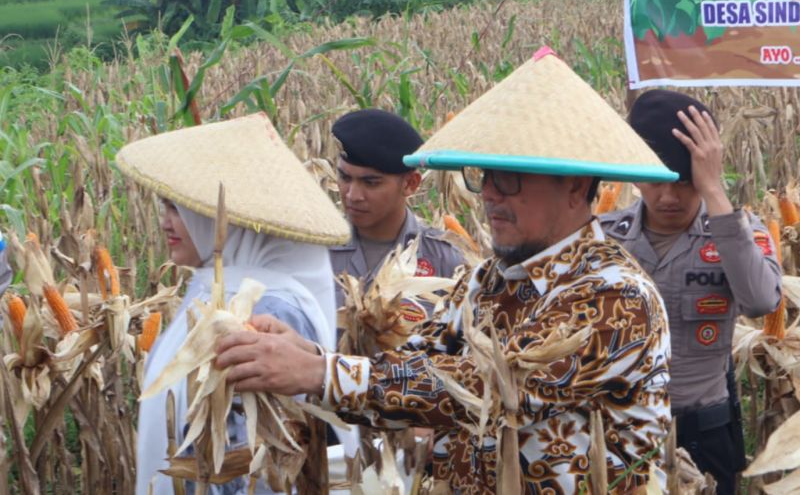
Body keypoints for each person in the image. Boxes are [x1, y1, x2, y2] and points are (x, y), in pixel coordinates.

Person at [215, 49, 676, 493]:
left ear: (575, 185)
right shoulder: (486, 282)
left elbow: (492, 390)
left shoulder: (617, 295)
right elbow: (414, 365)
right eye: (484, 177)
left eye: (509, 180)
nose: (489, 196)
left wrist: (319, 372)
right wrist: (306, 352)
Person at [115, 113, 356, 494]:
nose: (164, 223)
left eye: (177, 208)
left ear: (226, 218)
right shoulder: (214, 292)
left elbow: (256, 463)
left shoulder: (268, 309)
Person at [600, 89, 783, 493]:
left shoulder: (739, 233)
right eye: (656, 182)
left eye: (684, 182)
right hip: (620, 436)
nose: (668, 197)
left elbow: (761, 300)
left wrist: (715, 191)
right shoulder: (603, 238)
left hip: (705, 436)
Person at [329, 109, 465, 309]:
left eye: (371, 183)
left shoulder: (444, 260)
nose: (352, 195)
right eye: (345, 178)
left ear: (410, 184)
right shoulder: (317, 250)